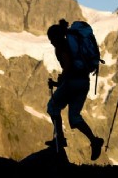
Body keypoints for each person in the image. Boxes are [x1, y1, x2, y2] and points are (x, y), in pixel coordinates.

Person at [45, 19, 104, 161]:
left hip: (72, 82)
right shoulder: (73, 46)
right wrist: (59, 82)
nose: (51, 42)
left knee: (53, 106)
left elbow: (68, 66)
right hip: (84, 82)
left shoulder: (61, 46)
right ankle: (94, 140)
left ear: (54, 37)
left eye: (51, 39)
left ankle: (59, 140)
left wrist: (59, 81)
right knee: (75, 117)